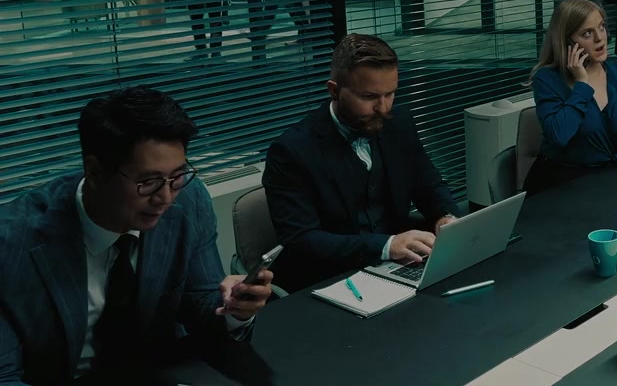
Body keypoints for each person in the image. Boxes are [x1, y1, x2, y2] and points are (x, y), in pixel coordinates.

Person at [0, 87, 273, 385]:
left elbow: (200, 306)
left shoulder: (188, 199)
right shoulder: (12, 242)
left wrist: (235, 309)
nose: (165, 198)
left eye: (177, 176)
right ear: (95, 171)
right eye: (149, 181)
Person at [263, 34, 459, 293]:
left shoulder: (398, 124)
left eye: (390, 94)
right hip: (330, 282)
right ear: (334, 90)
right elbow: (301, 241)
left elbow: (428, 184)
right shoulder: (292, 151)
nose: (383, 108)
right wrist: (386, 246)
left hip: (395, 270)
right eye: (369, 97)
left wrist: (446, 218)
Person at [527, 0, 617, 194]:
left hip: (608, 179)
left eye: (601, 27)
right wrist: (582, 84)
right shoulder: (547, 79)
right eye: (587, 33)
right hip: (560, 184)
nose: (600, 38)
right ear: (567, 41)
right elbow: (559, 135)